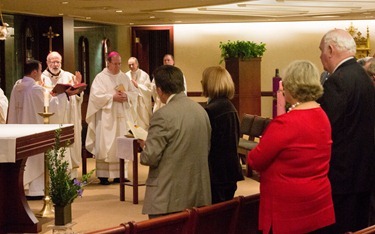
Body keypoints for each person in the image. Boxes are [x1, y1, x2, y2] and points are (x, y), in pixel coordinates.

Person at [248, 60, 335, 234]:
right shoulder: (322, 115)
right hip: (318, 203)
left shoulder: (286, 124)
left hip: (288, 212)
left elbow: (255, 160)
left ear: (291, 85)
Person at [318, 29, 375, 233]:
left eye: (321, 51)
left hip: (342, 176)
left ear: (331, 50)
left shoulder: (338, 80)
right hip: (364, 172)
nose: (321, 57)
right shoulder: (363, 76)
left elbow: (325, 126)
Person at [138, 65, 211, 219]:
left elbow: (149, 157)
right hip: (198, 193)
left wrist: (145, 146)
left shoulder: (162, 115)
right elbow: (205, 148)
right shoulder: (201, 111)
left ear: (159, 90)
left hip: (168, 197)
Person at [8, 59, 75, 198]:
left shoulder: (17, 87)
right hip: (33, 130)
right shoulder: (35, 89)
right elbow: (51, 106)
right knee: (36, 157)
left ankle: (24, 187)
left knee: (24, 160)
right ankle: (35, 190)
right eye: (39, 70)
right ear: (34, 72)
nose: (40, 73)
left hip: (18, 129)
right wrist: (65, 95)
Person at [85, 51, 138, 185]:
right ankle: (103, 175)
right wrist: (112, 97)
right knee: (106, 143)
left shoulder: (124, 77)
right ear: (108, 63)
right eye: (115, 64)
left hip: (121, 117)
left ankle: (120, 175)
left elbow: (134, 93)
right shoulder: (100, 78)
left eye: (119, 63)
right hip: (106, 118)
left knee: (122, 142)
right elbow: (95, 97)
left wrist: (127, 96)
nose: (118, 66)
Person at [201, 66, 244, 204]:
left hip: (216, 173)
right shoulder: (228, 106)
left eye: (204, 80)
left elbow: (206, 144)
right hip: (228, 170)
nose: (202, 82)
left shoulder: (212, 110)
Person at [42, 51, 84, 178]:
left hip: (69, 117)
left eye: (58, 62)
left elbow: (78, 97)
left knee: (70, 144)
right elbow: (42, 99)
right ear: (47, 63)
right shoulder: (42, 78)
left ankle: (71, 176)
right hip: (53, 119)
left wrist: (77, 89)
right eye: (52, 62)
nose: (55, 64)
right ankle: (53, 176)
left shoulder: (69, 76)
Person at [126, 57, 152, 130]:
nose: (131, 66)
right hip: (131, 103)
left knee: (142, 124)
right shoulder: (126, 75)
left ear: (137, 64)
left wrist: (138, 86)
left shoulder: (144, 75)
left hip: (141, 103)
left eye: (132, 64)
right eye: (129, 65)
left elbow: (149, 90)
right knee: (131, 123)